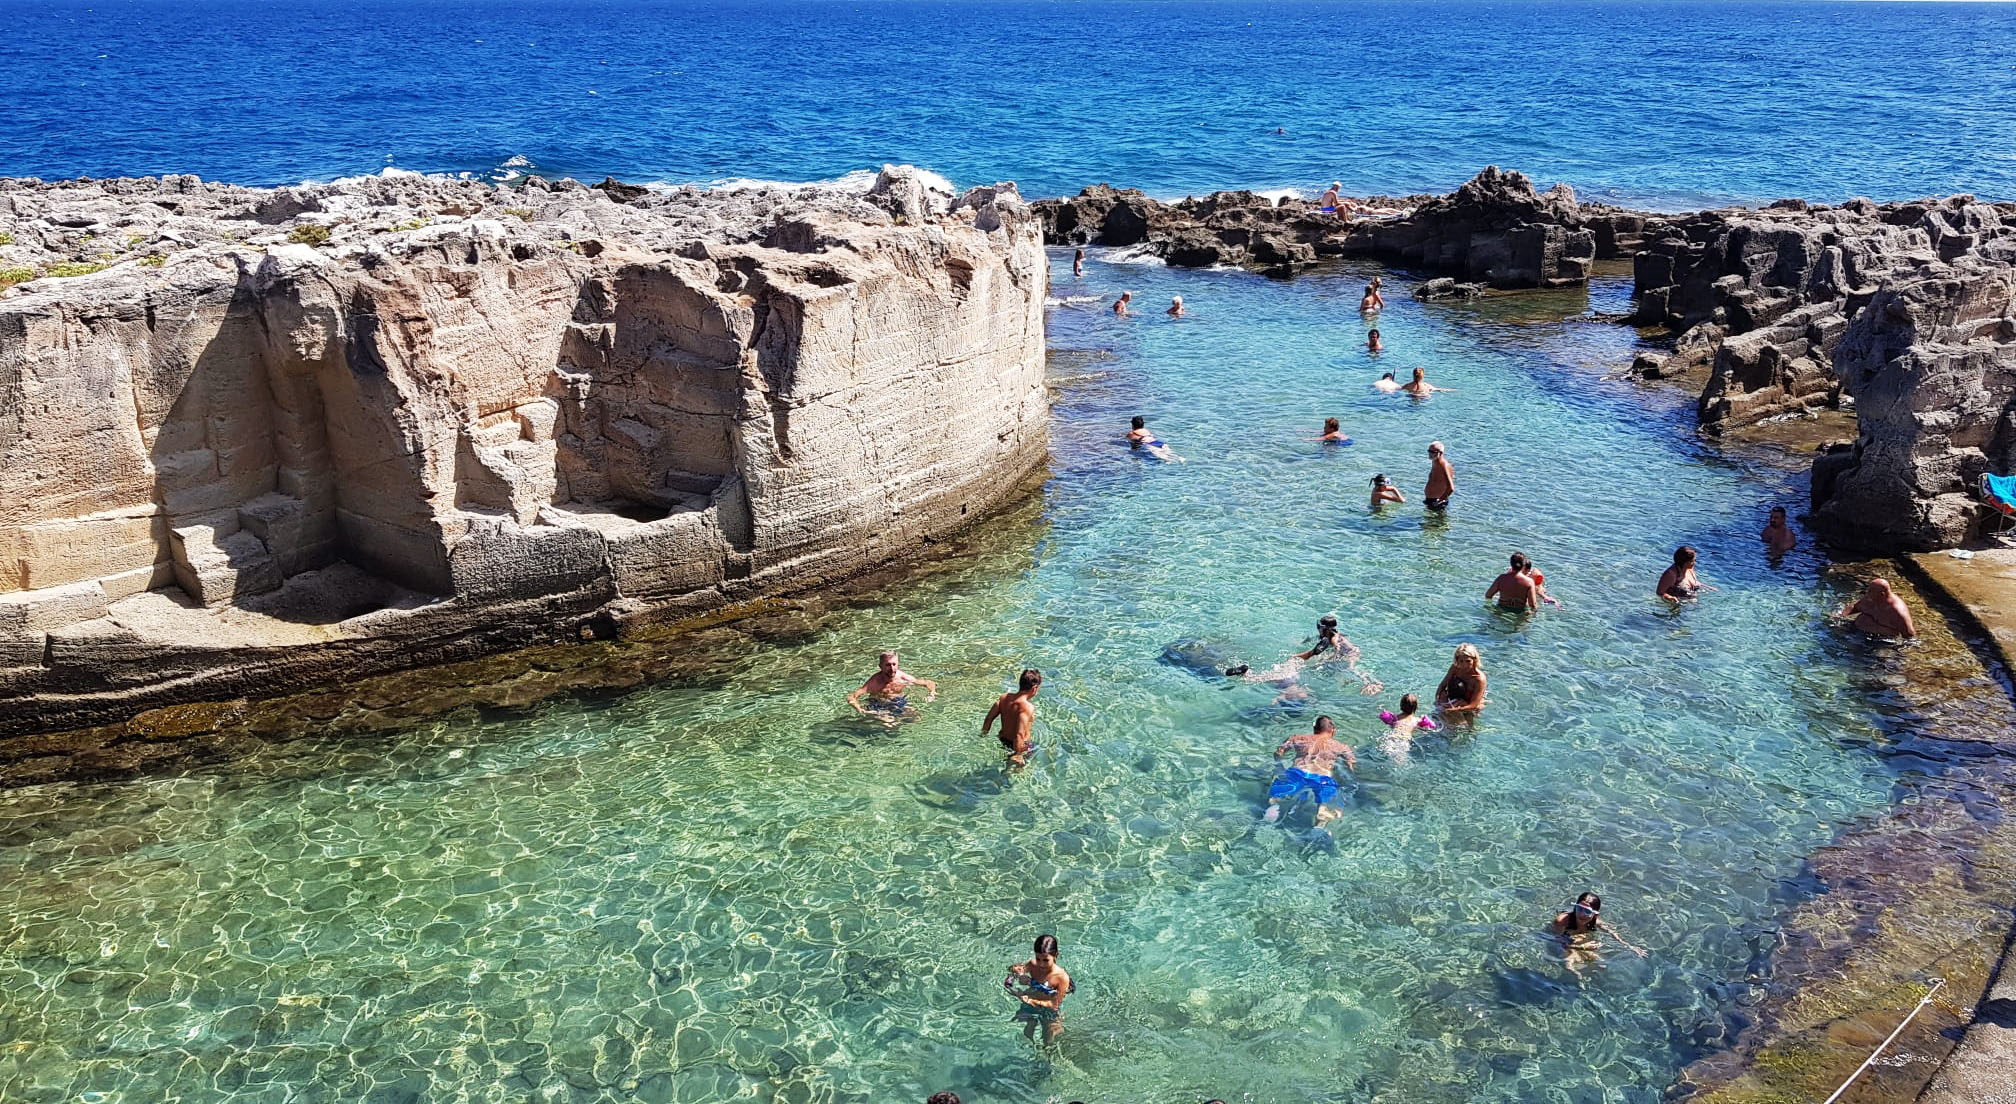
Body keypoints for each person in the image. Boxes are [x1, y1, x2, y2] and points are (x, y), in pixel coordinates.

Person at [1263, 715, 1357, 825]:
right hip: (1322, 778)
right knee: (1325, 807)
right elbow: (1350, 766)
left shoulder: (1297, 738)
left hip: (1297, 773)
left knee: (1276, 800)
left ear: (1314, 728)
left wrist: (1280, 769)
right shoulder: (1341, 746)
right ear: (1333, 731)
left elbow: (1279, 752)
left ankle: (1269, 817)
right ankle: (1319, 827)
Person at [1553, 892, 1647, 973]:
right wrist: (1582, 947)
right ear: (1575, 908)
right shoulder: (1561, 921)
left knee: (1602, 965)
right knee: (1568, 965)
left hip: (1577, 940)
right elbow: (1557, 941)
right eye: (1579, 909)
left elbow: (1612, 932)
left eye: (1587, 911)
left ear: (1595, 914)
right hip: (1566, 939)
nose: (1582, 914)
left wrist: (1629, 946)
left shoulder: (1596, 921)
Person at [1005, 934, 1073, 1043]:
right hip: (1029, 1004)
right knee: (1027, 1032)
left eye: (1046, 960)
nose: (1041, 964)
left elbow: (1054, 1005)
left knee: (1050, 1037)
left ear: (1056, 955)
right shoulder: (1033, 964)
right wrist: (1019, 974)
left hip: (1049, 1011)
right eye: (1038, 959)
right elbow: (1015, 969)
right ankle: (1032, 1053)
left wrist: (1033, 1001)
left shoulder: (1062, 977)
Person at [1293, 614, 1382, 694]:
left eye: (1319, 627)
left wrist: (1333, 657)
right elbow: (1316, 639)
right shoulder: (1327, 634)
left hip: (1352, 653)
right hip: (1350, 650)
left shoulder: (1333, 638)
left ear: (1324, 628)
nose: (1318, 629)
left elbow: (1337, 646)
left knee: (1350, 668)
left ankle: (1370, 683)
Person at [847, 650, 938, 723]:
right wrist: (860, 709)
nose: (892, 668)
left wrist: (932, 693)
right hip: (879, 705)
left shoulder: (902, 677)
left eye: (894, 664)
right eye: (888, 665)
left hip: (898, 702)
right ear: (880, 666)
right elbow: (852, 696)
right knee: (890, 724)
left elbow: (929, 683)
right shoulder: (875, 682)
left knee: (916, 718)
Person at [982, 668, 1042, 767]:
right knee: (1021, 768)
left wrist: (983, 734)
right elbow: (1019, 734)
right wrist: (1018, 755)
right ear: (1034, 688)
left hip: (1003, 740)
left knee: (1006, 765)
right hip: (1019, 746)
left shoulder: (1004, 698)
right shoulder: (1027, 707)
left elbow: (989, 718)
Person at [1837, 577, 1918, 638]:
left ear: (1882, 595)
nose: (1867, 594)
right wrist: (1841, 616)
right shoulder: (1871, 598)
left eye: (1870, 592)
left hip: (1881, 641)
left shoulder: (1897, 612)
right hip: (1861, 631)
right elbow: (1855, 606)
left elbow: (1909, 635)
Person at [1435, 642, 1487, 716]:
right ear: (1457, 660)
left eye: (1468, 661)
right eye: (1461, 661)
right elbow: (1442, 686)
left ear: (1474, 660)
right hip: (1455, 698)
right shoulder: (1455, 668)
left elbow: (1473, 705)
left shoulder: (1479, 679)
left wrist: (1451, 710)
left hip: (1470, 703)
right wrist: (1438, 701)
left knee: (1476, 710)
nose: (1464, 665)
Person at [1424, 441, 1455, 509]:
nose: (1430, 454)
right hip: (1431, 499)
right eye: (1429, 451)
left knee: (1437, 520)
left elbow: (1451, 488)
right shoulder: (1435, 461)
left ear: (1440, 453)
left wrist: (1440, 500)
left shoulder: (1444, 466)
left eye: (1433, 452)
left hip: (1437, 502)